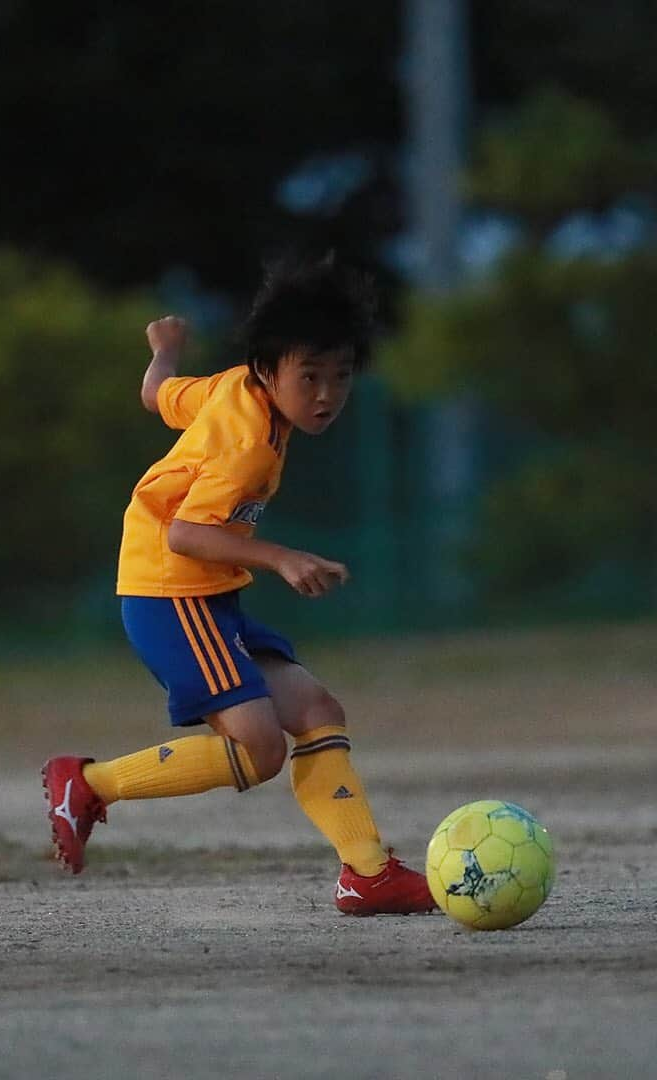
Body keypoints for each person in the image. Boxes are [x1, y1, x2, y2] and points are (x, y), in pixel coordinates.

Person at [42, 255, 435, 915]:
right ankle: (86, 784)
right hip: (170, 590)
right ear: (266, 369)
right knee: (258, 749)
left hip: (204, 590)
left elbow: (157, 396)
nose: (325, 395)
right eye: (308, 376)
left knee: (316, 710)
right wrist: (281, 558)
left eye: (340, 377)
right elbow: (186, 534)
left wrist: (164, 353)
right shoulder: (247, 441)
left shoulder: (233, 387)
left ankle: (368, 872)